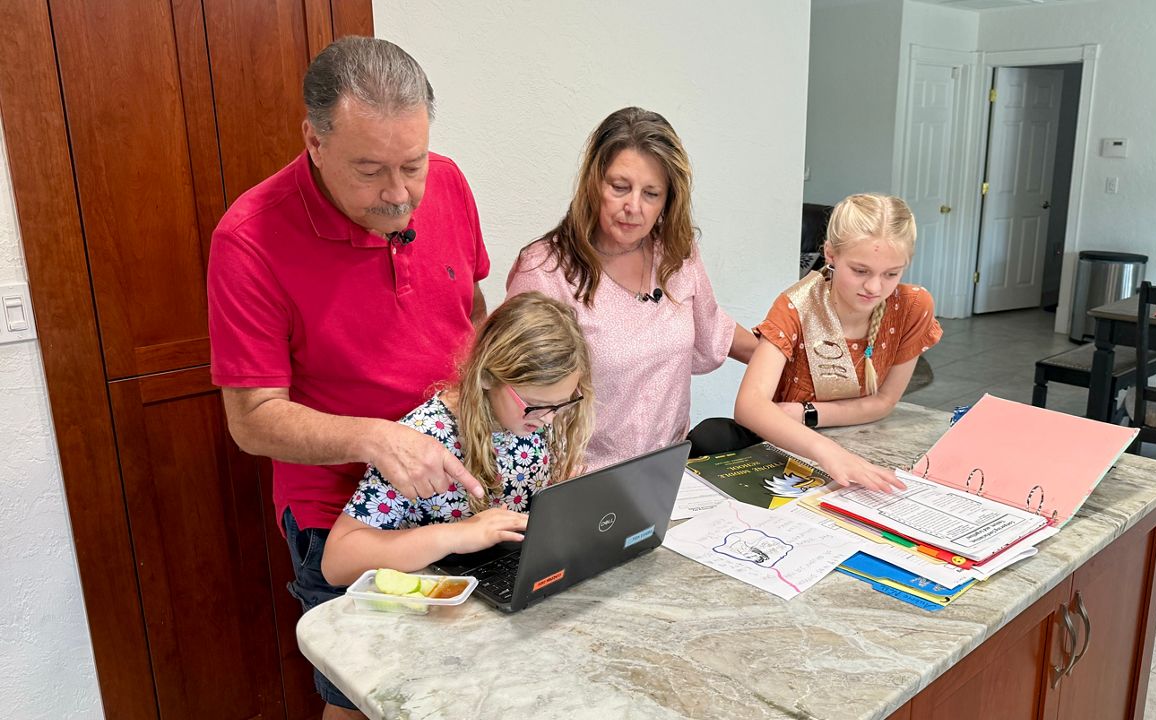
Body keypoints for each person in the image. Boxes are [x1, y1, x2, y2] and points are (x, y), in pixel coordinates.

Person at [207, 37, 487, 718]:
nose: (398, 195)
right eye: (370, 170)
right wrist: (378, 439)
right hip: (342, 518)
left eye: (411, 166)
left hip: (455, 491)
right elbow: (252, 418)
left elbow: (472, 310)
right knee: (364, 699)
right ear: (314, 139)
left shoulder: (446, 183)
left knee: (466, 679)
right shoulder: (248, 239)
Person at [506, 106, 757, 470]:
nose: (632, 207)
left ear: (669, 201)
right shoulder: (545, 272)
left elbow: (714, 327)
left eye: (651, 193)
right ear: (594, 183)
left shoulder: (677, 255)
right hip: (579, 481)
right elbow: (509, 396)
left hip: (669, 472)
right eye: (619, 187)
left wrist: (788, 359)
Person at [321, 292, 594, 585]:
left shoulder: (537, 420)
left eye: (562, 404)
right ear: (488, 376)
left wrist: (560, 500)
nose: (549, 420)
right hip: (435, 606)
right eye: (535, 405)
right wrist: (457, 535)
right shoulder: (424, 438)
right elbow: (337, 561)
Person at [707, 193, 943, 493]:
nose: (874, 287)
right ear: (831, 255)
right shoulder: (796, 307)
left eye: (891, 274)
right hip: (790, 451)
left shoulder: (912, 307)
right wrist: (829, 451)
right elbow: (750, 406)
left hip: (859, 443)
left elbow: (884, 401)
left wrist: (809, 413)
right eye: (860, 271)